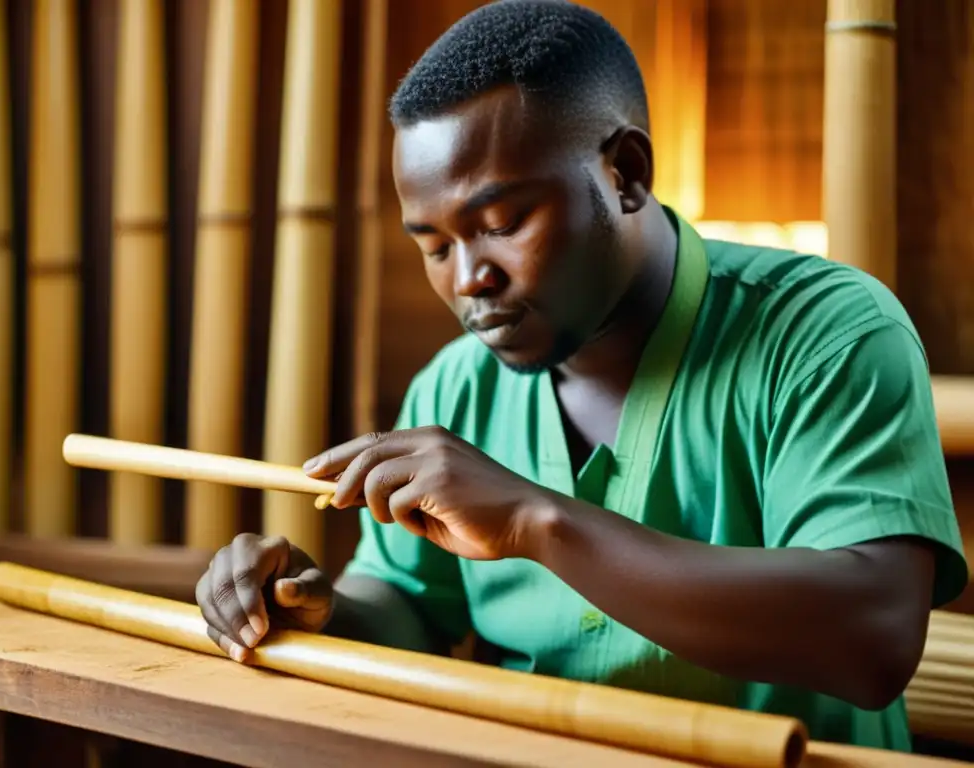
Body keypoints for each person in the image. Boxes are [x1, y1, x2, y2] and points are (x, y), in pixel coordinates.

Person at [195, 0, 968, 751]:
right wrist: (312, 607)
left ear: (626, 173)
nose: (468, 278)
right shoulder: (453, 388)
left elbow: (873, 639)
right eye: (434, 245)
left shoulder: (826, 334)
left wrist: (538, 522)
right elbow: (407, 607)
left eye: (500, 225)